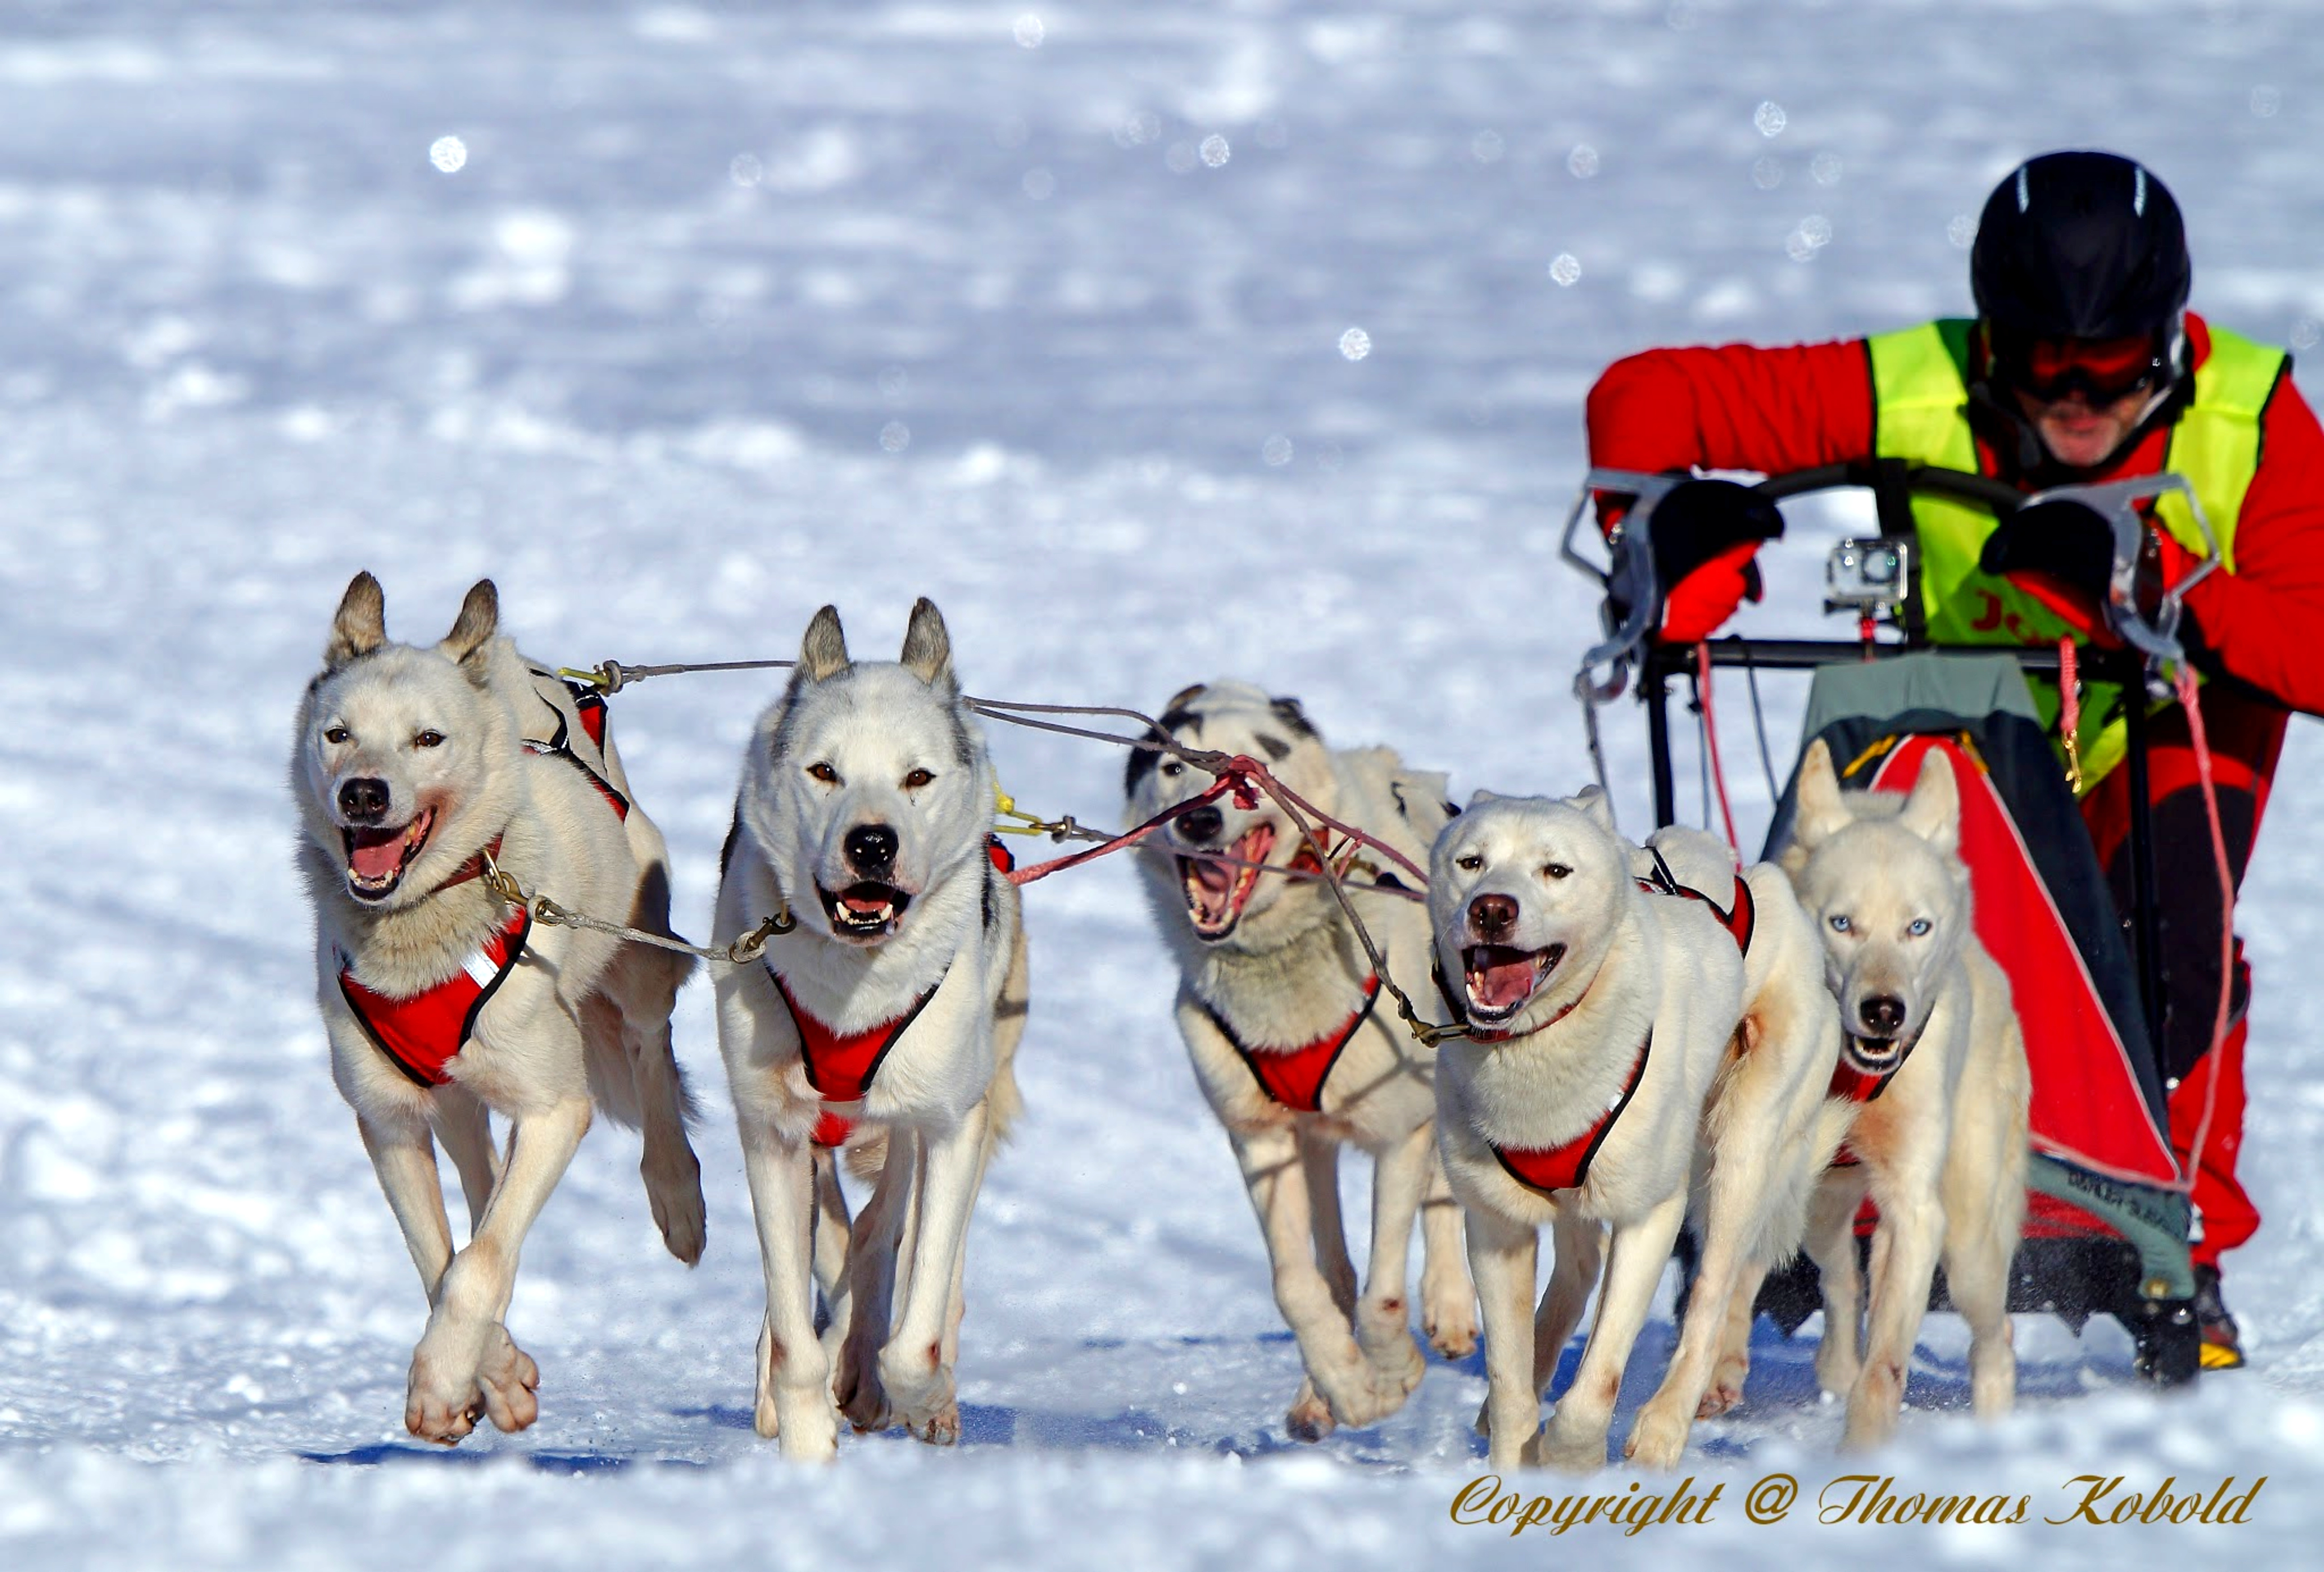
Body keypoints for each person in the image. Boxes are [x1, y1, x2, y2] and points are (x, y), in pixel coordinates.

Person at [1585, 150, 2324, 1369]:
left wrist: (2160, 585)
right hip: (1983, 741)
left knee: (2172, 954)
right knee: (1847, 938)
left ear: (2170, 343)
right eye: (2045, 365)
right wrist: (1651, 522)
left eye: (2115, 366)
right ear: (1994, 344)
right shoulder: (1919, 379)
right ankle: (1816, 1182)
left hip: (2164, 725)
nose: (2079, 399)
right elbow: (1645, 392)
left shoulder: (2252, 413)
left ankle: (2181, 1241)